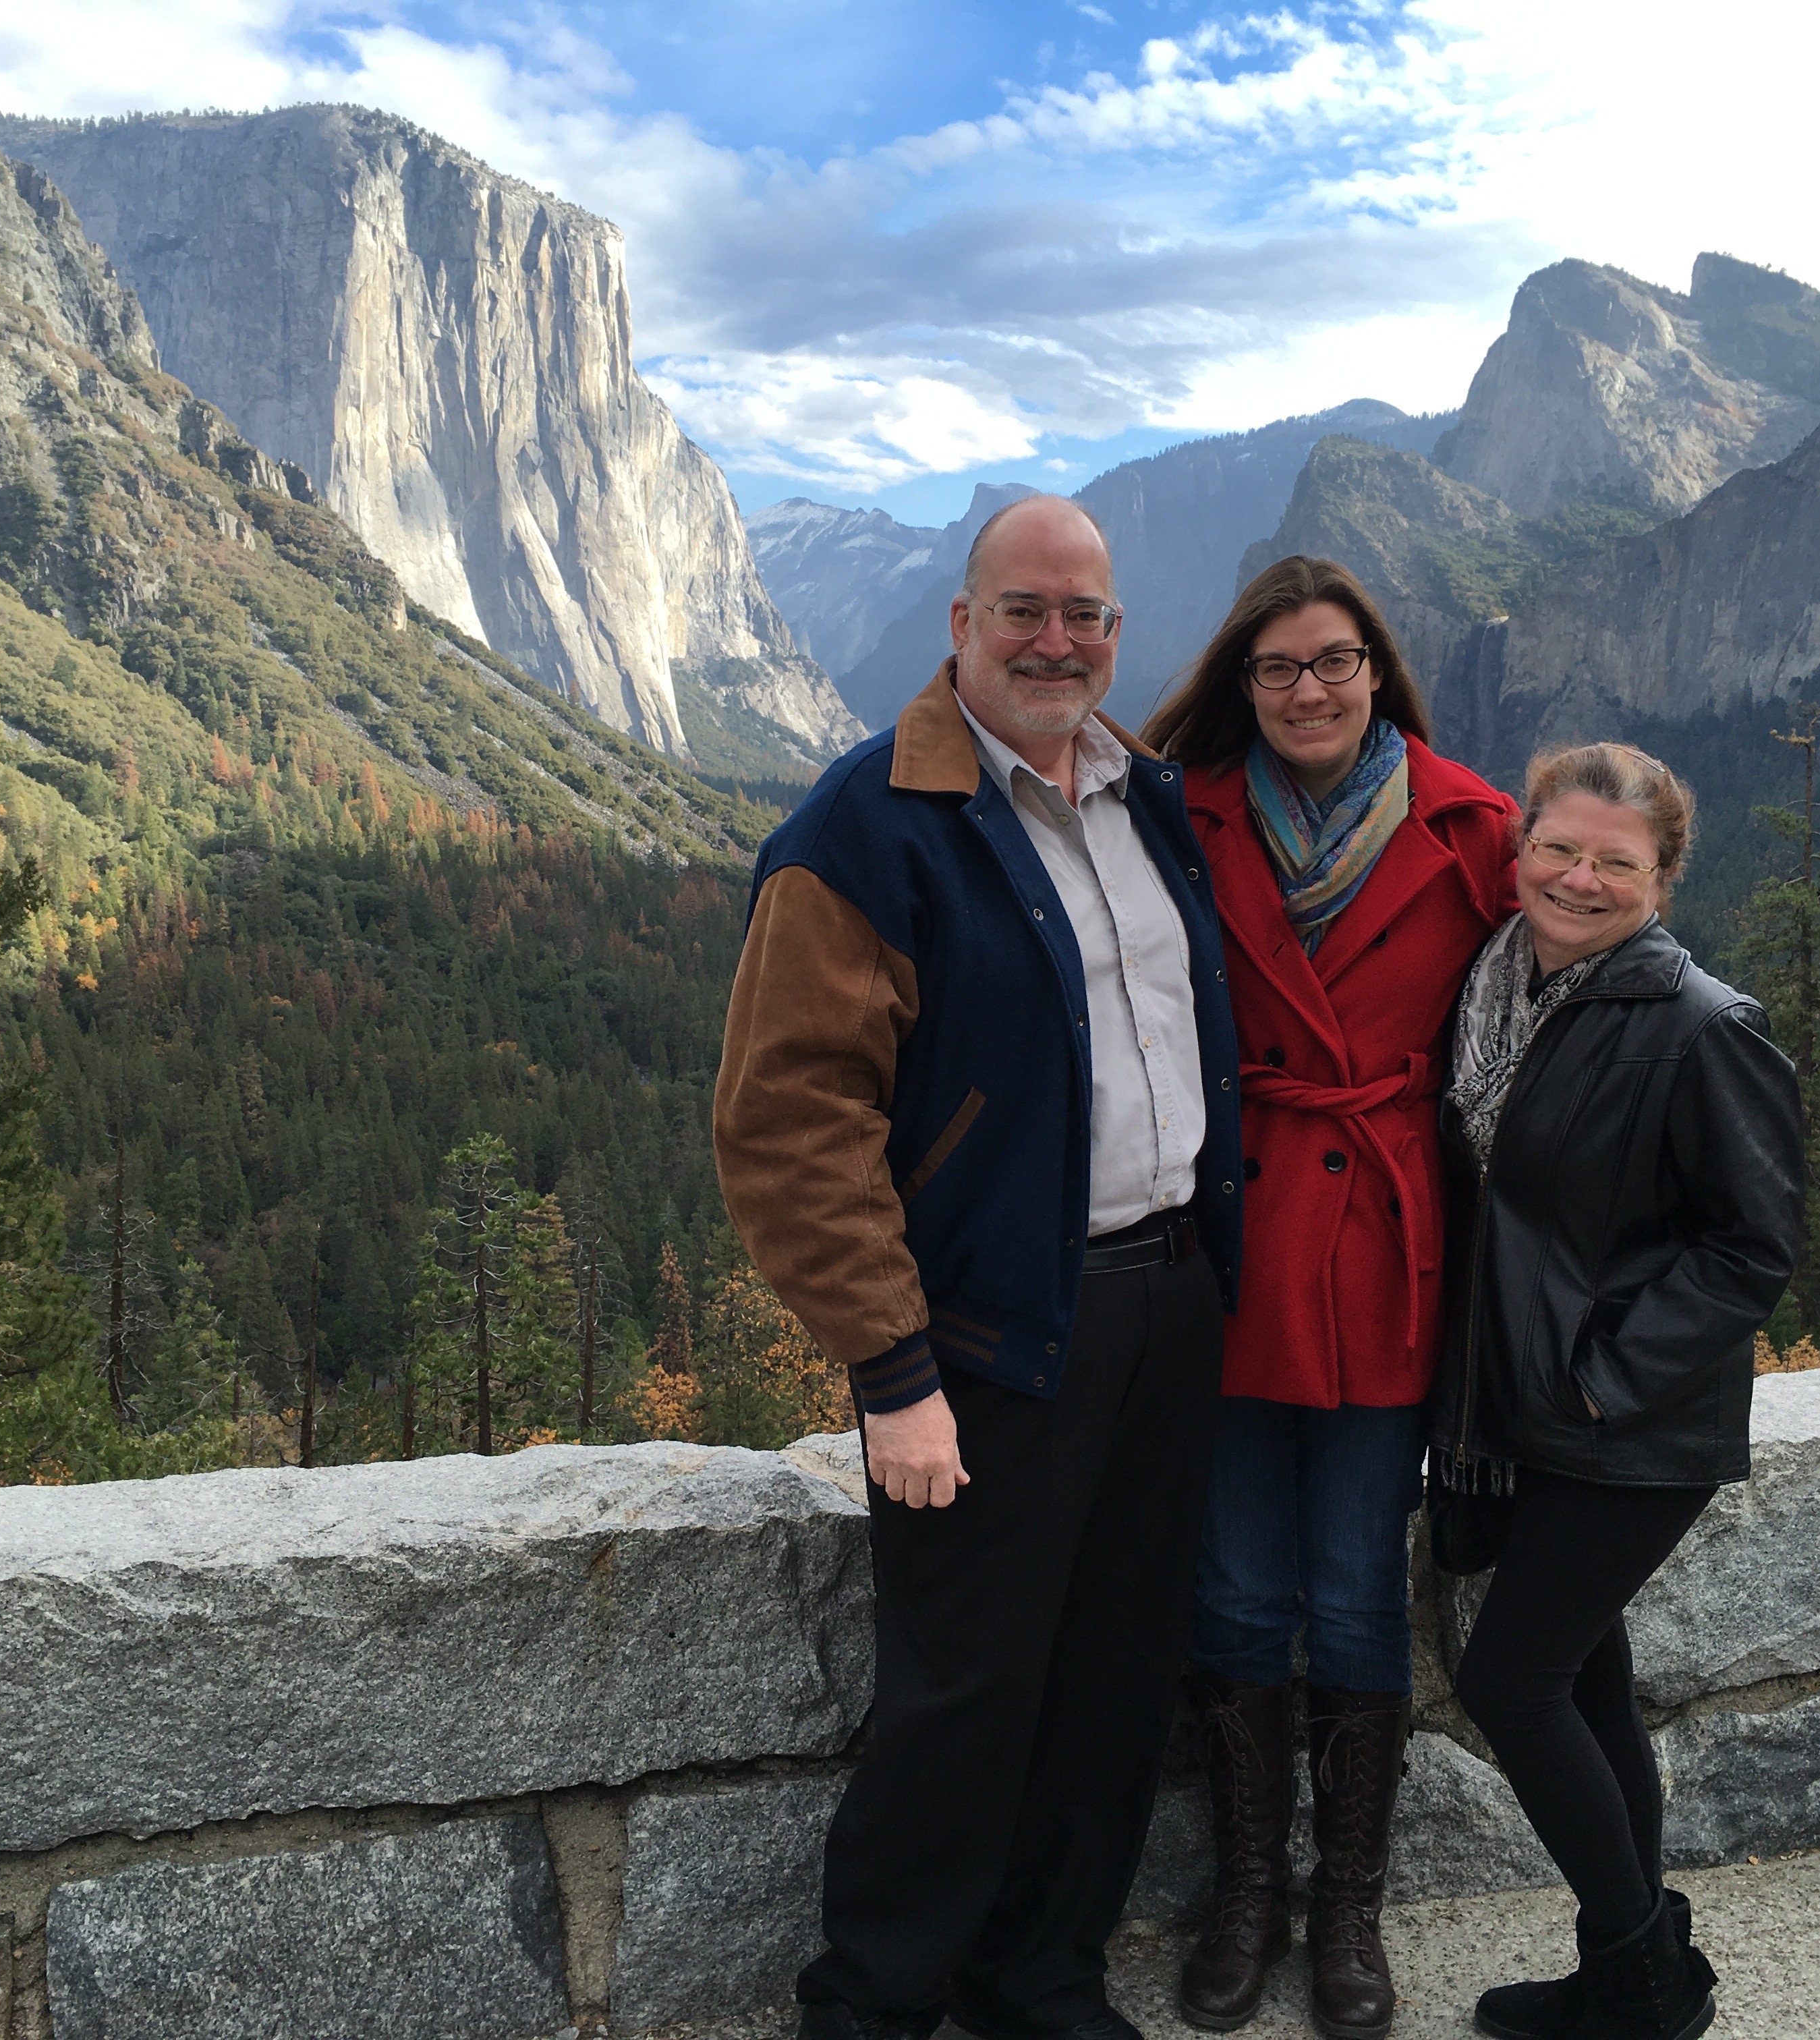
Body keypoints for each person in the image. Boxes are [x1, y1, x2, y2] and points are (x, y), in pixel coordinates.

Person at [713, 494, 1245, 2040]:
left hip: (1166, 1306)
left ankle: (1042, 1980)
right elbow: (790, 1123)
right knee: (963, 1703)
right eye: (1023, 610)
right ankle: (873, 2007)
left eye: (1085, 616)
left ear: (1117, 637)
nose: (1056, 641)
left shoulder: (1149, 800)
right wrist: (893, 1370)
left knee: (1117, 1680)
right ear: (962, 626)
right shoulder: (863, 827)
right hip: (991, 1337)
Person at [1143, 555, 1520, 2037]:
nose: (1310, 689)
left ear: (1379, 669)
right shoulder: (1179, 816)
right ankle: (1250, 1895)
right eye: (1280, 667)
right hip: (1229, 1236)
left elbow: (1554, 1008)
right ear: (1243, 681)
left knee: (1360, 1586)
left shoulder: (1475, 829)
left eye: (1336, 661)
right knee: (1235, 1581)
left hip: (1385, 1244)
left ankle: (1348, 1911)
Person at [1428, 743, 1804, 2040]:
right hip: (1522, 1407)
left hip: (1626, 1425)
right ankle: (1626, 1969)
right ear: (1518, 847)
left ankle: (1642, 1981)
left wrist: (1601, 1381)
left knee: (1513, 1684)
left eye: (1616, 863)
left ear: (1664, 878)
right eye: (1559, 850)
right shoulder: (1495, 987)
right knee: (1583, 1680)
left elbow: (1751, 1246)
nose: (1580, 879)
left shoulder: (1701, 1026)